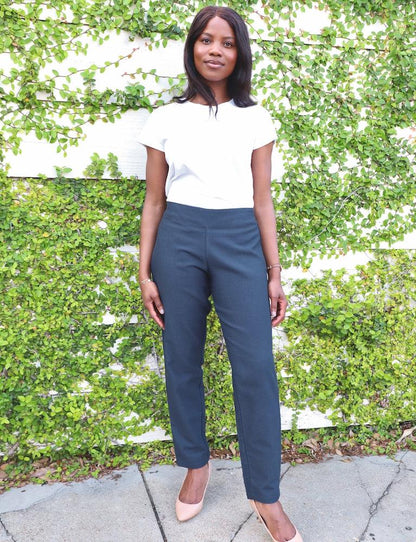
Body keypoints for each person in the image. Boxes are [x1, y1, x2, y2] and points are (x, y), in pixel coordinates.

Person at [138, 5, 302, 542]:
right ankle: (196, 465)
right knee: (181, 358)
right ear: (193, 47)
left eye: (227, 43)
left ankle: (266, 495)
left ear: (239, 53)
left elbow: (262, 199)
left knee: (255, 367)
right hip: (179, 239)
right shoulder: (165, 118)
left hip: (238, 240)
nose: (215, 50)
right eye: (206, 40)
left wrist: (274, 271)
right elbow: (154, 200)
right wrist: (144, 271)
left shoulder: (256, 118)